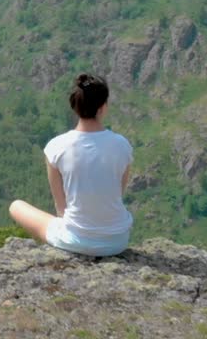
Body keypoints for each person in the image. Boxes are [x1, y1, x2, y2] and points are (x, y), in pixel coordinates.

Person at [9, 73, 133, 257]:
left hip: (76, 241)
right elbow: (117, 194)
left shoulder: (56, 147)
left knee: (16, 206)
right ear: (103, 107)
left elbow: (61, 209)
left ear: (74, 107)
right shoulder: (122, 145)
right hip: (117, 241)